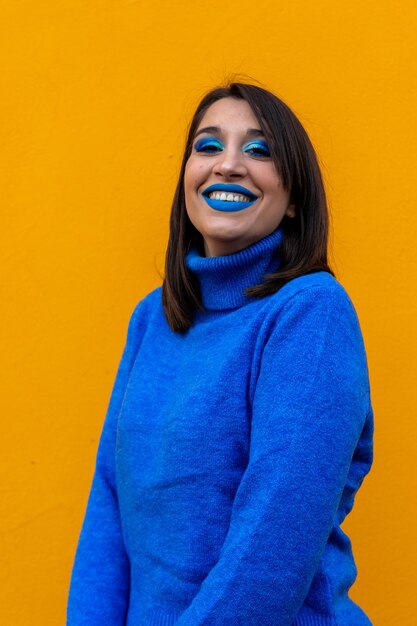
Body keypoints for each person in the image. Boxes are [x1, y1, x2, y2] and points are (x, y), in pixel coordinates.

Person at [67, 82, 374, 625]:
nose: (228, 165)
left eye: (259, 151)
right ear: (186, 177)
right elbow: (110, 504)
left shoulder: (311, 312)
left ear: (296, 195)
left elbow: (274, 543)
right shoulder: (152, 317)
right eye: (209, 146)